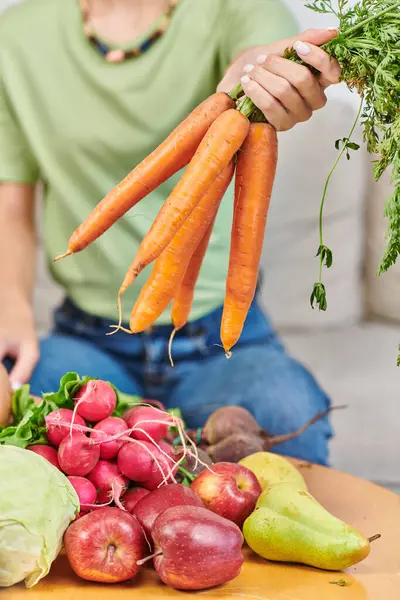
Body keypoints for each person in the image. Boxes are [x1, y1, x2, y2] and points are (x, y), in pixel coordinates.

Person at [0, 0, 340, 464]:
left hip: (222, 340)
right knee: (28, 430)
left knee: (287, 413)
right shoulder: (15, 36)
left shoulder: (236, 9)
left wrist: (263, 76)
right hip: (86, 339)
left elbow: (257, 55)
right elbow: (9, 206)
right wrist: (12, 308)